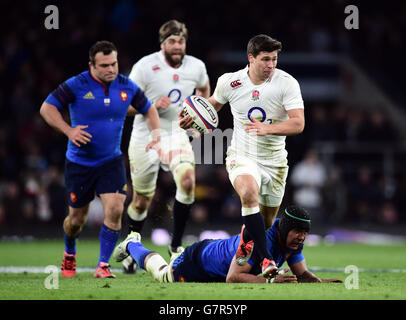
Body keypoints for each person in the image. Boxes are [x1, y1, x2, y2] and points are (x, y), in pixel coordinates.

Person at [179, 34, 305, 277]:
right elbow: (212, 105)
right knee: (248, 193)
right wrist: (191, 121)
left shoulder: (287, 83)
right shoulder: (230, 82)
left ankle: (245, 247)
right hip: (242, 154)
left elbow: (298, 123)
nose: (271, 65)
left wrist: (268, 128)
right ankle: (267, 260)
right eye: (265, 59)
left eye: (274, 59)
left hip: (275, 162)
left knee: (265, 225)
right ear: (251, 58)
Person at [40, 41, 161, 278]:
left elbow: (149, 109)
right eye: (104, 65)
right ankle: (69, 252)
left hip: (111, 161)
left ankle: (103, 265)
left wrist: (156, 137)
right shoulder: (76, 84)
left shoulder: (126, 86)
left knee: (115, 210)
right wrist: (69, 131)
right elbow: (47, 108)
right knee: (76, 221)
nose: (111, 69)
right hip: (80, 164)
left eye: (114, 63)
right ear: (91, 65)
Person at [123, 19, 210, 273]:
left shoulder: (196, 66)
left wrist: (199, 113)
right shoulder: (145, 67)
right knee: (141, 200)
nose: (177, 45)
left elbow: (205, 90)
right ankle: (132, 245)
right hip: (146, 135)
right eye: (171, 41)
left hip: (176, 133)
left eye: (181, 41)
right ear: (162, 44)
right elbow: (123, 105)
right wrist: (149, 105)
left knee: (187, 183)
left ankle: (175, 245)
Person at [113, 205, 342, 283]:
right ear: (284, 229)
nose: (302, 237)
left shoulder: (292, 242)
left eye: (305, 233)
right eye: (298, 232)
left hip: (217, 253)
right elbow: (232, 278)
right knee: (163, 274)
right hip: (198, 261)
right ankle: (133, 243)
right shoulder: (257, 240)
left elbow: (301, 274)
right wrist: (273, 282)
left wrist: (319, 282)